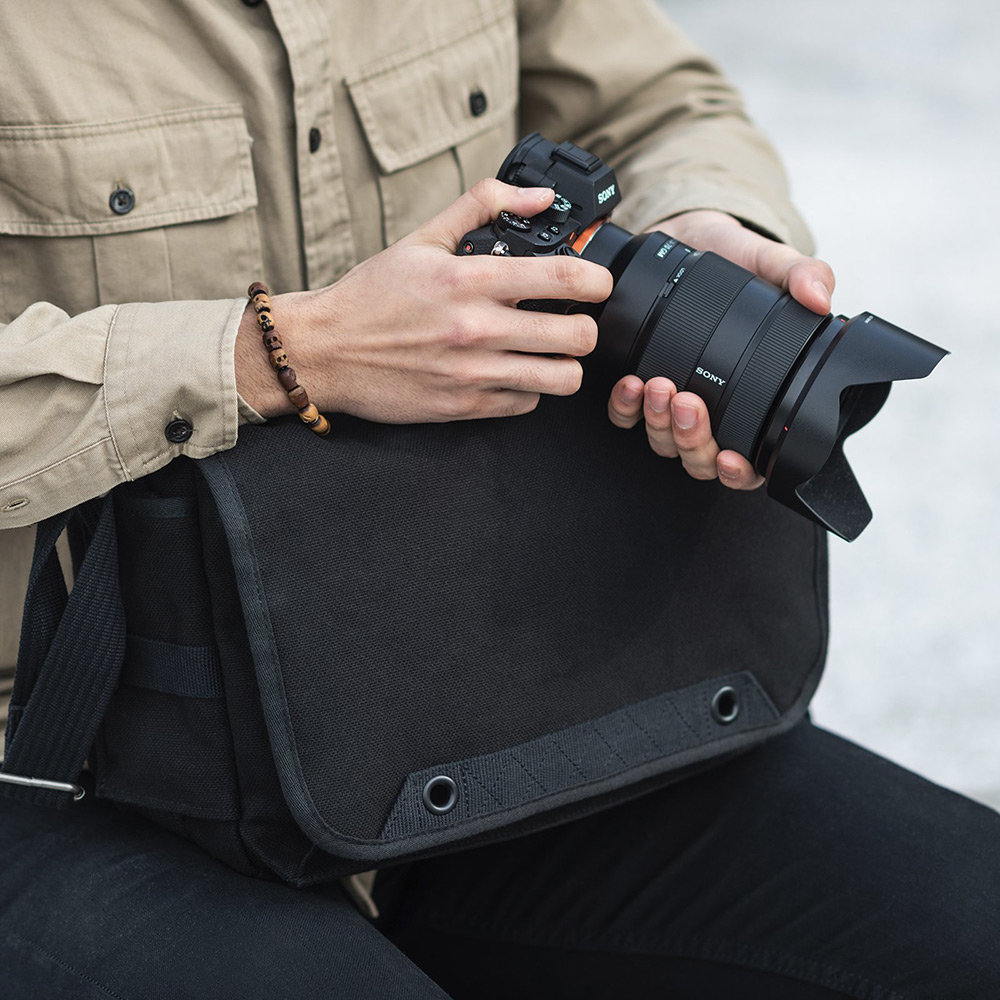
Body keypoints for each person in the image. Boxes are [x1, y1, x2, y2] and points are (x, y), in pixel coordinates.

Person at [0, 1, 997, 996]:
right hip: (68, 752)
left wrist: (707, 227)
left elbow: (656, 102)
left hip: (475, 684)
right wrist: (283, 354)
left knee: (969, 921)